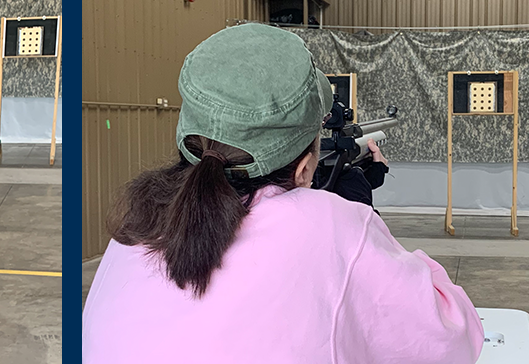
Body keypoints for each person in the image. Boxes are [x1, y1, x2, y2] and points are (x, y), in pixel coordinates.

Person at [83, 23, 483, 363]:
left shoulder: (135, 225)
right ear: (306, 167)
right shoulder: (330, 225)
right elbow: (453, 338)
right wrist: (370, 229)